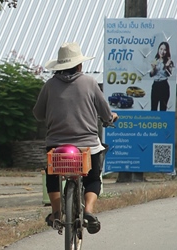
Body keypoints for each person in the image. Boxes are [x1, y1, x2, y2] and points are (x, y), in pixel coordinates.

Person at [33, 42, 118, 235]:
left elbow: (38, 113)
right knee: (93, 178)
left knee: (53, 177)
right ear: (79, 65)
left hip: (56, 145)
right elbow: (105, 113)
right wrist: (110, 118)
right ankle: (88, 210)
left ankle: (56, 213)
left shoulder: (49, 85)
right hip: (87, 145)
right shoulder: (90, 83)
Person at [149, 41, 174, 111]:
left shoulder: (169, 62)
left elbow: (169, 74)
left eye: (165, 50)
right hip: (155, 85)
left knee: (163, 108)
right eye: (161, 49)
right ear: (158, 49)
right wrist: (153, 69)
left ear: (167, 51)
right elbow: (151, 74)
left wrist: (166, 66)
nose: (162, 51)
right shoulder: (155, 60)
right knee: (153, 108)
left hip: (164, 85)